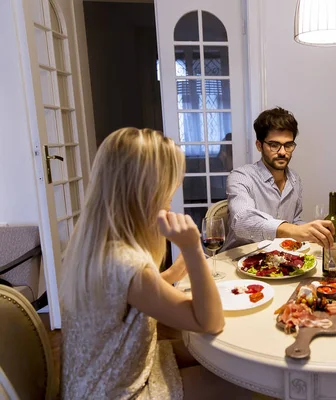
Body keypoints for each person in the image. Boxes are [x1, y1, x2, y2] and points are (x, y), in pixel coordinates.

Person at [59, 128, 253, 399]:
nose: (170, 203)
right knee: (240, 384)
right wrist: (192, 248)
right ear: (144, 191)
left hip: (92, 379)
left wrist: (174, 272)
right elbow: (211, 321)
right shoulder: (127, 263)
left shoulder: (92, 244)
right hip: (116, 390)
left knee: (218, 358)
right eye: (168, 191)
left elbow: (122, 297)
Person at [222, 107, 334, 251]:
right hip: (239, 259)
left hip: (279, 261)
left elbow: (294, 221)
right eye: (274, 145)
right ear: (259, 145)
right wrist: (292, 230)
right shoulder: (241, 177)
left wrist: (312, 231)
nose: (282, 152)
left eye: (288, 145)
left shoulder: (294, 179)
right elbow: (242, 221)